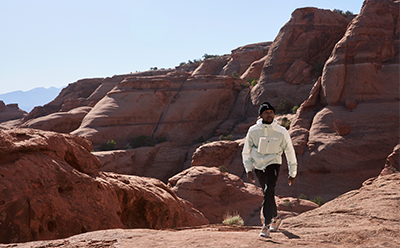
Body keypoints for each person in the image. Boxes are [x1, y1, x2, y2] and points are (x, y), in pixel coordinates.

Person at [242, 101, 297, 238]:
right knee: (268, 193)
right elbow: (246, 151)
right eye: (266, 113)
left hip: (274, 162)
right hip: (259, 165)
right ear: (260, 115)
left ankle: (266, 226)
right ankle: (276, 218)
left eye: (271, 112)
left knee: (268, 190)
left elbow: (289, 151)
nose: (269, 115)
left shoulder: (281, 131)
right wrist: (249, 169)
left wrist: (293, 172)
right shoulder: (253, 130)